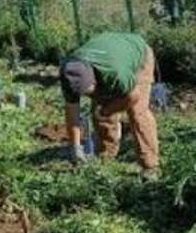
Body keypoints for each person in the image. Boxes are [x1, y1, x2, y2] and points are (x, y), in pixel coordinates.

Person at [60, 32, 161, 180]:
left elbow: (133, 97)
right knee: (99, 110)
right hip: (108, 55)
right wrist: (75, 148)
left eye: (91, 90)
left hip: (137, 55)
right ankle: (105, 157)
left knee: (137, 113)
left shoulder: (116, 73)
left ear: (94, 79)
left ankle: (150, 167)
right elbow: (72, 113)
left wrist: (108, 109)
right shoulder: (69, 74)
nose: (91, 95)